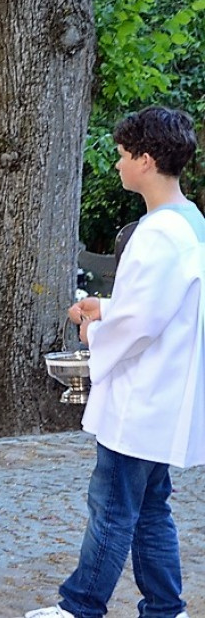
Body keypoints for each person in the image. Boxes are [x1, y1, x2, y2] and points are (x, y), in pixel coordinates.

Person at [26, 107, 202, 618]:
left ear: (146, 160)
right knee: (150, 510)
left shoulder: (157, 232)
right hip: (166, 390)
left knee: (111, 509)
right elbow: (163, 308)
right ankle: (165, 608)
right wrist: (108, 309)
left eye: (125, 156)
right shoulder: (192, 223)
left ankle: (80, 607)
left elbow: (139, 325)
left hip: (140, 394)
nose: (119, 165)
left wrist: (95, 328)